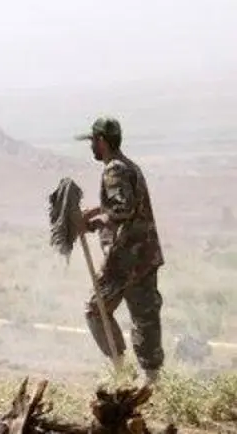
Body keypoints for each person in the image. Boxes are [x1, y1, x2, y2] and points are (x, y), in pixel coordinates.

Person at [76, 116, 164, 384]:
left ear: (101, 141)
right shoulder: (129, 166)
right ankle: (152, 381)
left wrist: (91, 223)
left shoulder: (114, 169)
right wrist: (93, 212)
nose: (92, 146)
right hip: (145, 255)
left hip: (125, 257)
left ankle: (121, 372)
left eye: (93, 141)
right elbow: (124, 205)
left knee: (95, 310)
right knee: (144, 317)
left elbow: (121, 209)